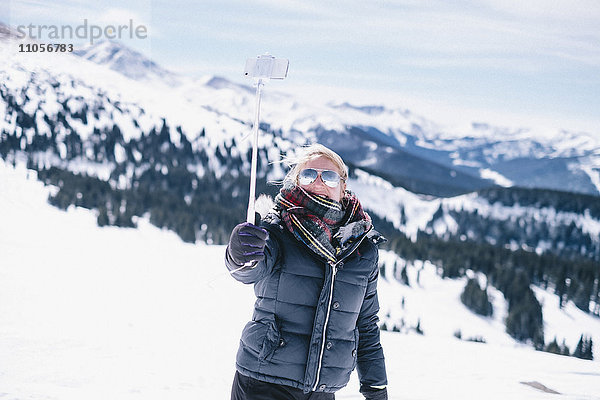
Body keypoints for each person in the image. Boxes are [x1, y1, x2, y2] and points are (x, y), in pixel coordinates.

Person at [225, 144, 388, 400]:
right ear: (297, 181)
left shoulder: (362, 250)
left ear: (343, 186)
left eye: (330, 176)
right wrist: (239, 253)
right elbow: (248, 270)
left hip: (323, 391)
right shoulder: (276, 230)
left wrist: (376, 387)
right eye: (309, 175)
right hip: (264, 381)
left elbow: (365, 326)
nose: (320, 182)